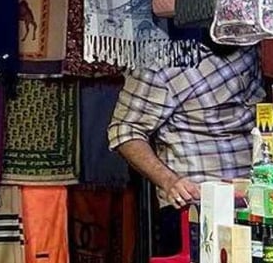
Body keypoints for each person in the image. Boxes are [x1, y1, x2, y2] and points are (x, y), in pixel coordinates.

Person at [107, 44, 263, 209]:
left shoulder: (247, 45)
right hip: (197, 202)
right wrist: (170, 181)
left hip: (254, 196)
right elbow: (125, 131)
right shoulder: (160, 63)